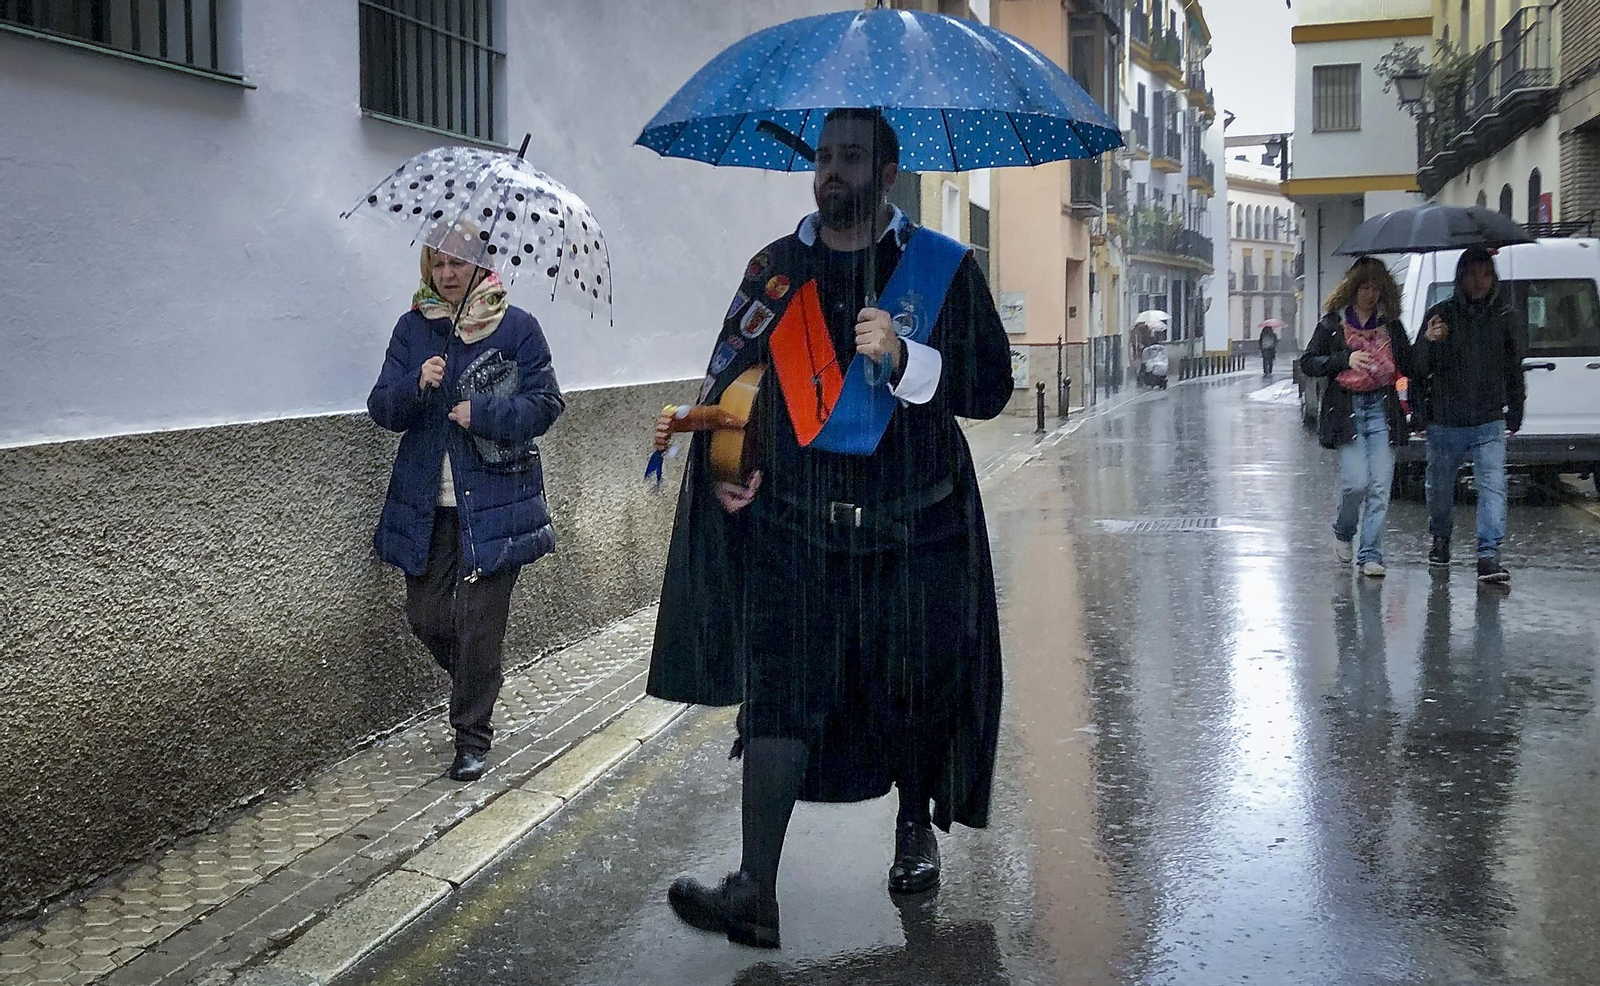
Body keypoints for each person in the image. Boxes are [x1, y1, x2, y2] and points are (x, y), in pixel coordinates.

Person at [647, 109, 1012, 949]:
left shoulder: (942, 270)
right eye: (824, 156)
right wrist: (727, 471)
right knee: (776, 697)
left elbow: (990, 388)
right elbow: (730, 383)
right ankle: (753, 890)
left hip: (915, 530)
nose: (832, 172)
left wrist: (905, 356)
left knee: (914, 693)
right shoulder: (776, 273)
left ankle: (913, 828)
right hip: (796, 528)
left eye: (852, 158)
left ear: (888, 175)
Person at [367, 240, 565, 781]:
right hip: (428, 504)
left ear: (480, 264)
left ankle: (472, 736)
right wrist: (415, 384)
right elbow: (381, 406)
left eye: (458, 262)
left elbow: (546, 404)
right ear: (427, 267)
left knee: (478, 624)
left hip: (498, 502)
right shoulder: (413, 329)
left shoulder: (517, 327)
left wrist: (483, 413)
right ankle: (479, 682)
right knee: (426, 615)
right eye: (439, 262)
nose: (448, 273)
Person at [1299, 257, 1420, 578]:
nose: (1370, 293)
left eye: (1376, 287)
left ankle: (1370, 553)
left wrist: (1428, 344)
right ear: (1352, 288)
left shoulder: (1390, 325)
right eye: (1364, 286)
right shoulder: (1332, 324)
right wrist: (1345, 358)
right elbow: (1309, 362)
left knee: (1381, 485)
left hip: (1382, 408)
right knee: (1356, 483)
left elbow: (1410, 364)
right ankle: (1343, 530)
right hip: (1347, 410)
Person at [1411, 246, 1526, 584]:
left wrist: (1516, 408)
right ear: (1460, 277)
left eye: (1486, 275)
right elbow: (1418, 369)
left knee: (1493, 487)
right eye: (1473, 275)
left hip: (1489, 419)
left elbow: (1512, 367)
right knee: (1440, 489)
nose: (1480, 282)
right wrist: (1430, 342)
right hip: (1446, 420)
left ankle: (1488, 555)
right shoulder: (1440, 315)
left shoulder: (1504, 316)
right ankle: (1441, 537)